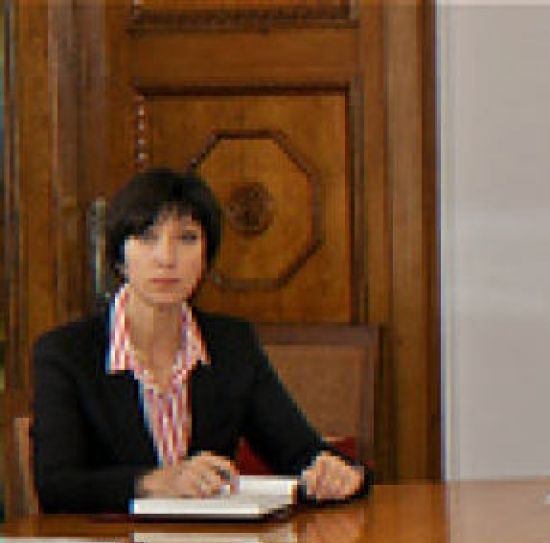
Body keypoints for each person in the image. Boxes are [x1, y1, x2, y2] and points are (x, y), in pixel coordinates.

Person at [32, 168, 368, 513]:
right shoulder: (65, 353)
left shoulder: (231, 344)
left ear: (207, 256)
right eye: (147, 237)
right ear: (119, 257)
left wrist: (339, 475)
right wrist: (155, 482)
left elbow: (300, 452)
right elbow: (56, 486)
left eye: (187, 238)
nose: (166, 258)